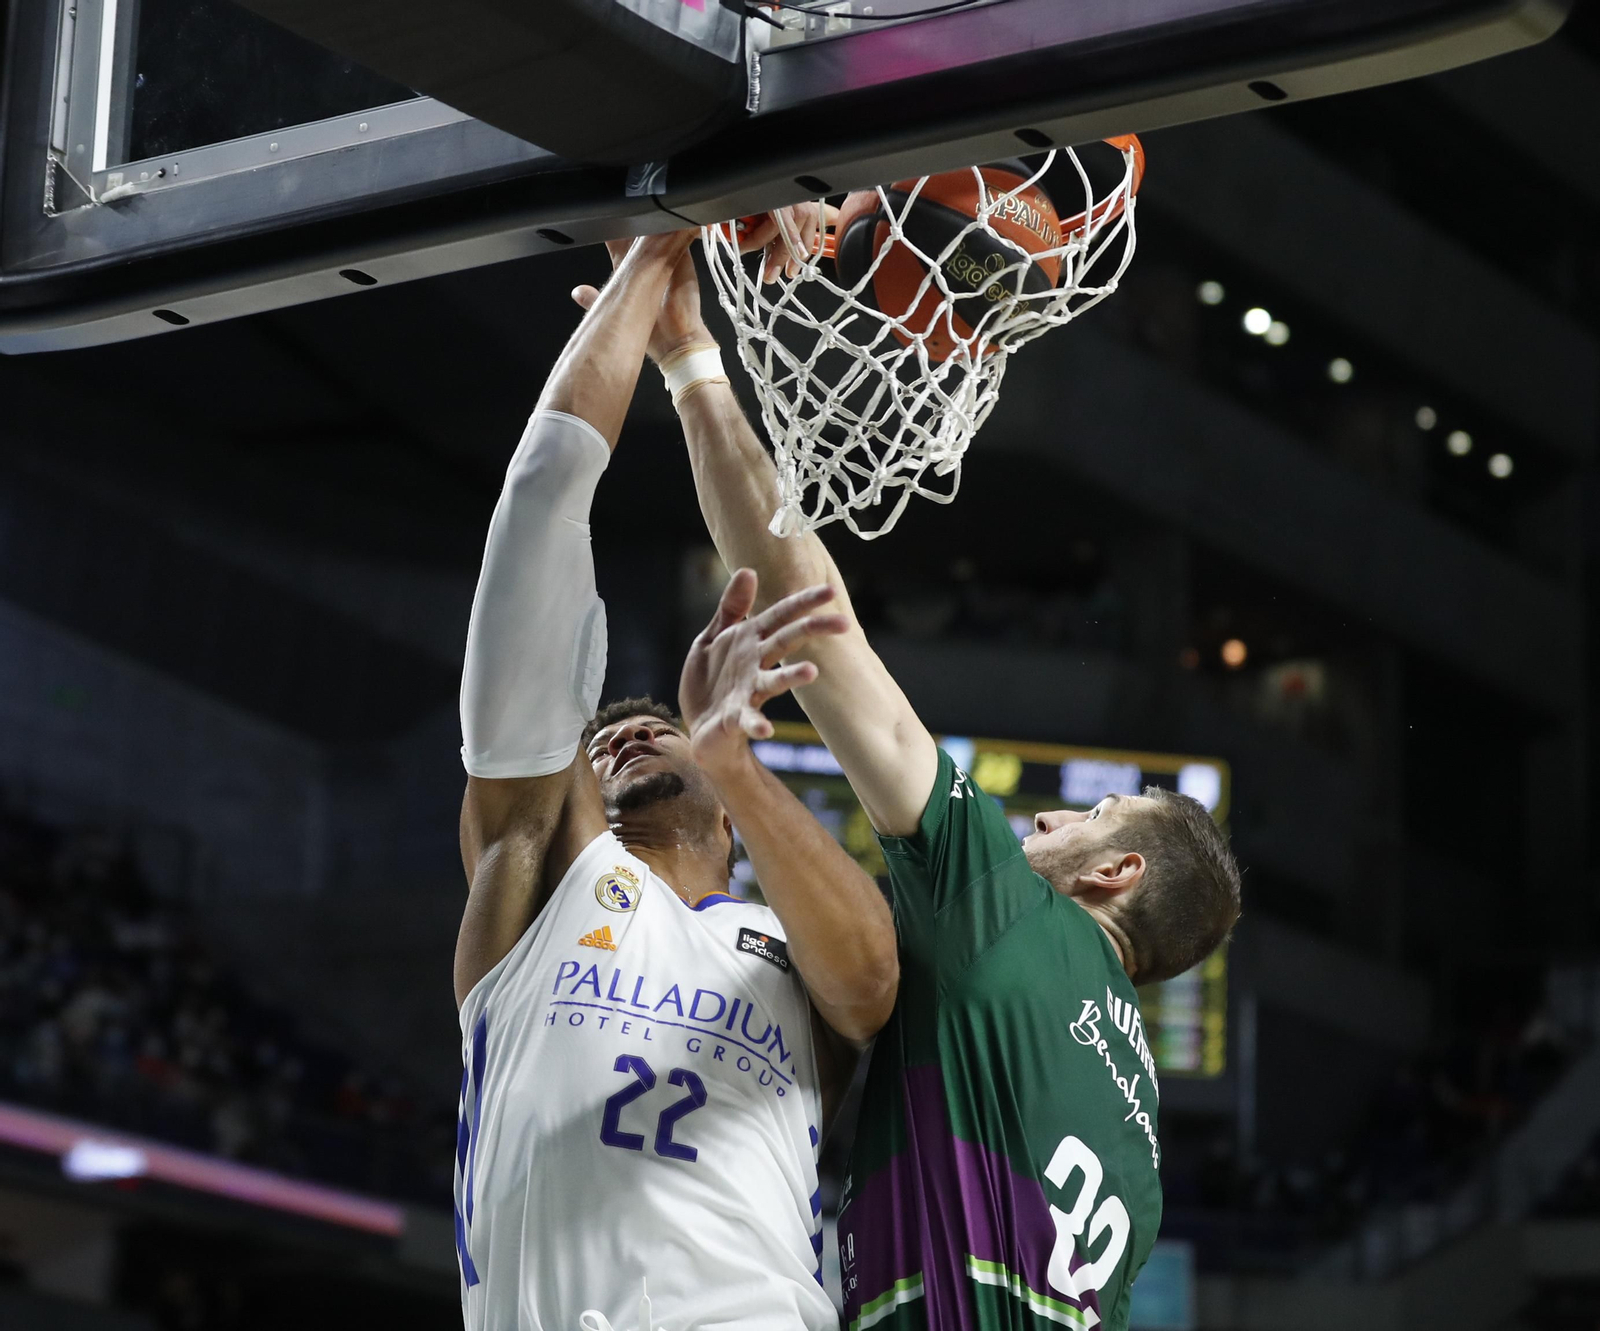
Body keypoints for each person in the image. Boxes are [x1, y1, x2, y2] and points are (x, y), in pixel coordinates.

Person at [620, 225, 1242, 1331]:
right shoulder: (1138, 1144)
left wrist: (689, 364)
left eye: (1093, 812)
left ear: (1118, 870)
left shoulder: (1005, 911)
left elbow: (807, 611)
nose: (1045, 813)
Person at [453, 227, 897, 1331]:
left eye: (659, 726)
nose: (621, 738)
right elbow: (539, 501)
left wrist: (738, 762)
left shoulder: (789, 946)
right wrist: (661, 242)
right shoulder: (545, 875)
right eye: (599, 741)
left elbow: (873, 983)